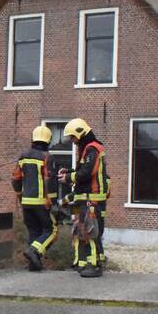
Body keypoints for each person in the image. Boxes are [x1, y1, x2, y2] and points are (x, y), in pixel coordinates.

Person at [58, 118, 109, 278]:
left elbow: (87, 172)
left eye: (73, 137)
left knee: (90, 232)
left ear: (80, 133)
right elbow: (83, 170)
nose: (73, 142)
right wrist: (70, 172)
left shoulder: (92, 149)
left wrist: (68, 178)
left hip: (91, 198)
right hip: (85, 197)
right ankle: (86, 263)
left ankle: (93, 266)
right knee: (83, 231)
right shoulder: (88, 148)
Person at [12, 125, 58, 271]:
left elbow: (15, 179)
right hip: (41, 202)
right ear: (48, 140)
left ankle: (33, 264)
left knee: (34, 232)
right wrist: (52, 201)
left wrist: (20, 196)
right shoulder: (47, 157)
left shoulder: (23, 156)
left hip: (26, 202)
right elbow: (49, 180)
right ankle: (35, 251)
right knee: (52, 230)